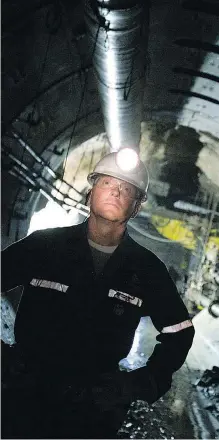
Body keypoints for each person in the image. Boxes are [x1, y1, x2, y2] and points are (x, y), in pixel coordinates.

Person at [1, 148, 195, 439]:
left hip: (93, 409)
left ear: (137, 206)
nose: (115, 192)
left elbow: (179, 331)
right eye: (107, 183)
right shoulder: (44, 247)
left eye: (126, 189)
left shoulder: (147, 269)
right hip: (25, 395)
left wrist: (138, 384)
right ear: (90, 192)